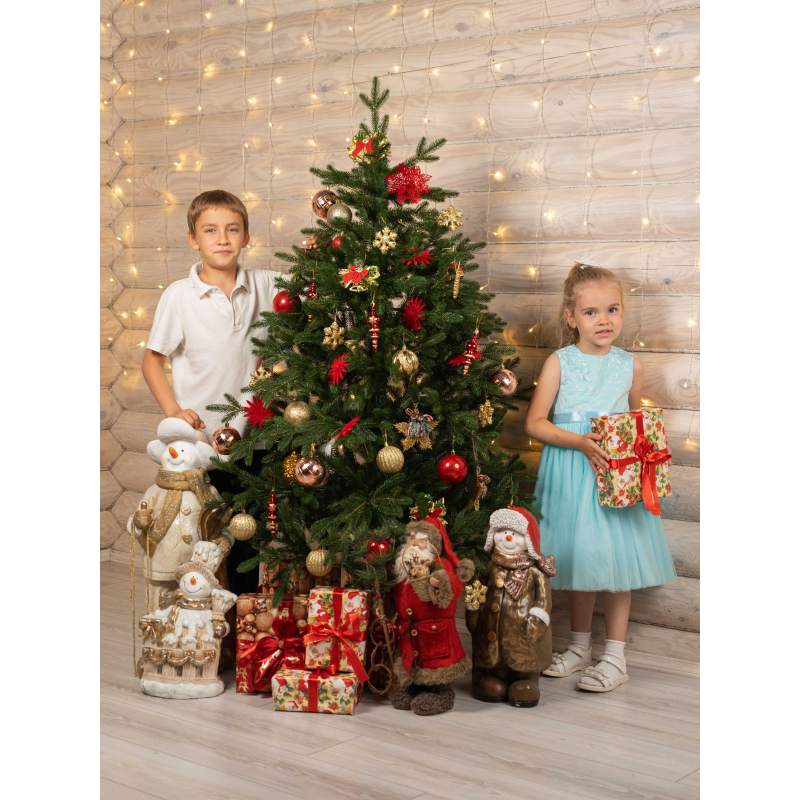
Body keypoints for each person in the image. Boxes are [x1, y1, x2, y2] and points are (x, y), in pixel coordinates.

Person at [524, 263, 676, 692]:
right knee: (580, 558)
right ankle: (578, 647)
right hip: (572, 471)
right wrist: (579, 442)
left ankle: (615, 656)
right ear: (571, 317)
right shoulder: (560, 362)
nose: (603, 320)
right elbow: (535, 423)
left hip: (614, 476)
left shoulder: (630, 365)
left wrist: (645, 458)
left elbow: (634, 422)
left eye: (612, 309)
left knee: (615, 560)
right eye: (591, 312)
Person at [142, 189, 281, 594]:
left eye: (232, 229)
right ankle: (196, 619)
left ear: (246, 236)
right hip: (201, 441)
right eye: (210, 230)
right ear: (193, 239)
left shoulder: (265, 285)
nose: (222, 239)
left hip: (252, 438)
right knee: (199, 534)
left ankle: (240, 620)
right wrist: (174, 412)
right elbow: (151, 361)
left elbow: (317, 282)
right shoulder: (179, 296)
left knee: (245, 536)